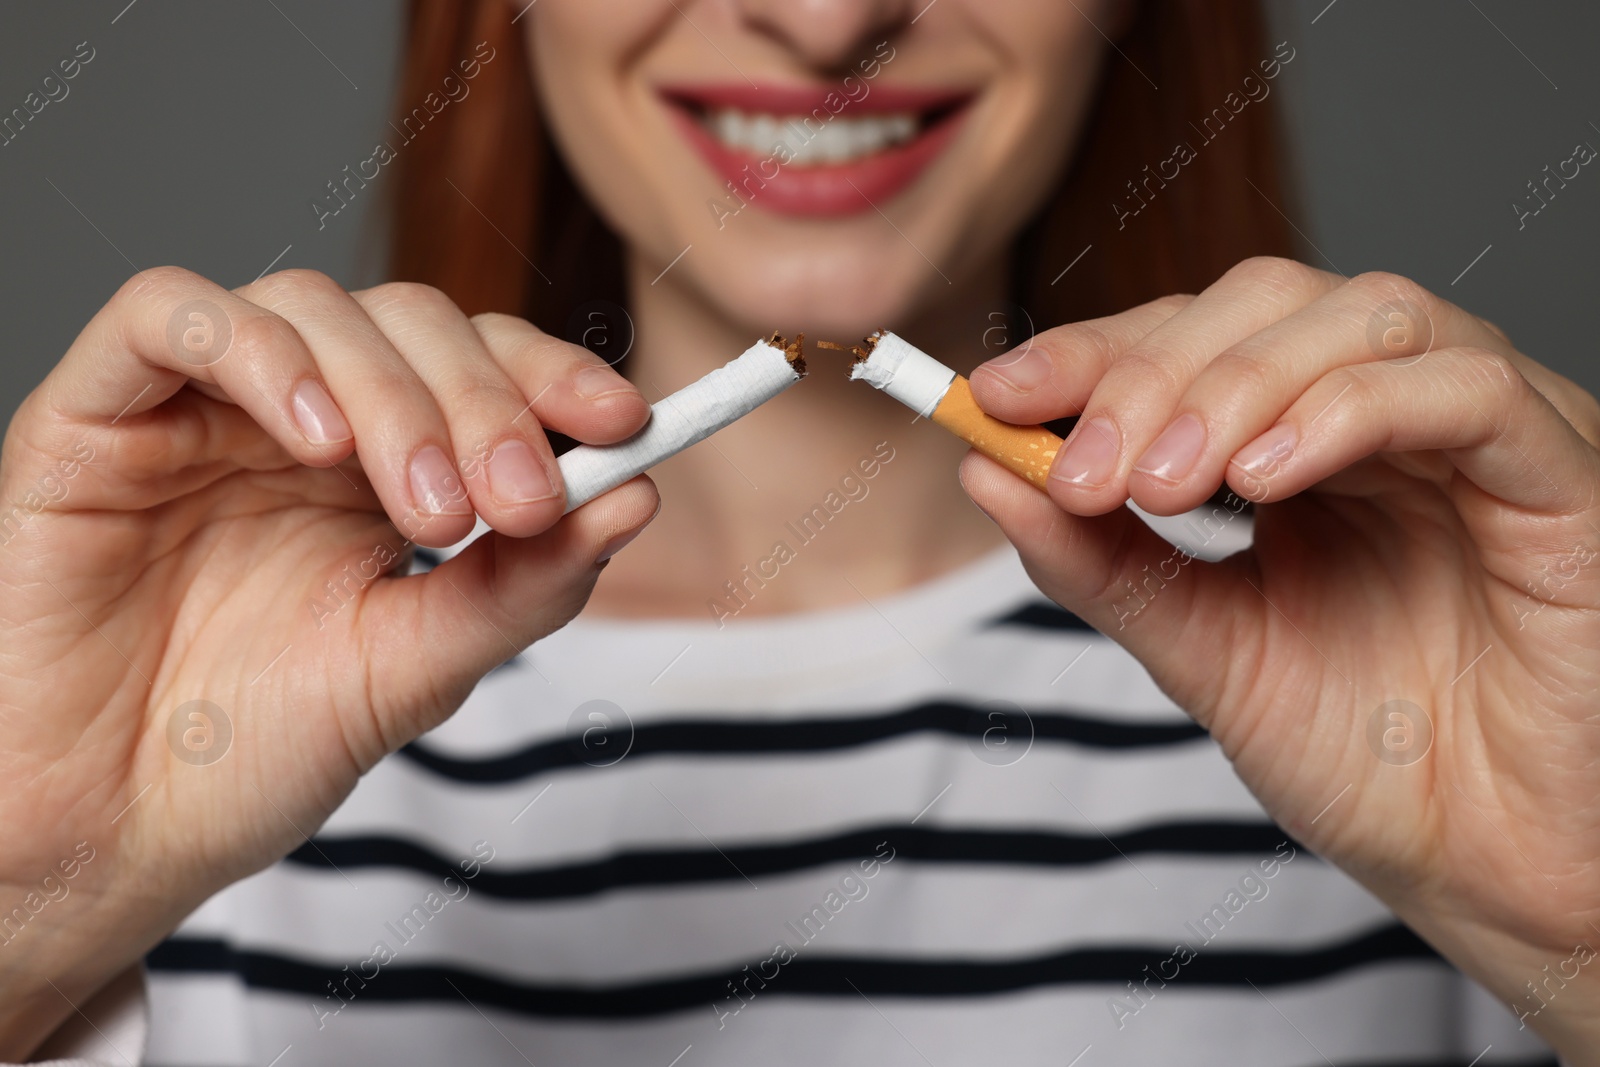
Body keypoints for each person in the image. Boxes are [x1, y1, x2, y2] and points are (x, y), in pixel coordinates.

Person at [1, 0, 1595, 1063]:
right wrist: (25, 915)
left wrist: (1581, 933)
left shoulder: (1453, 686)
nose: (830, 15)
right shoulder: (200, 701)